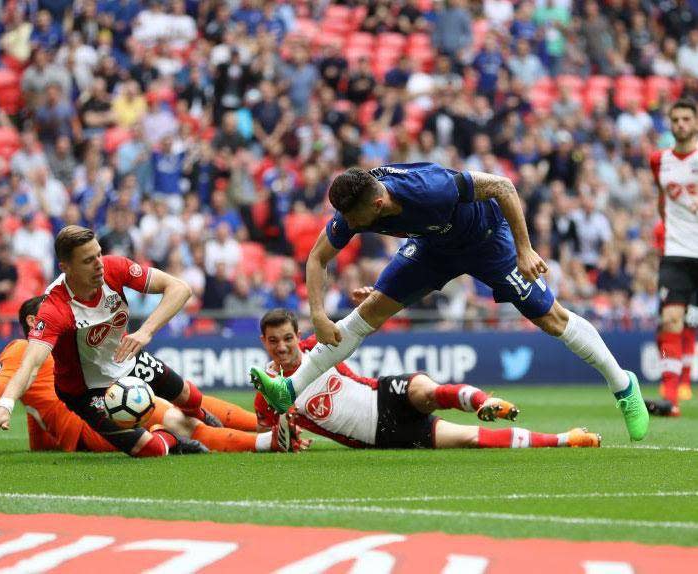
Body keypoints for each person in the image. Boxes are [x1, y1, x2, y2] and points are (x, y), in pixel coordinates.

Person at [251, 163, 649, 442]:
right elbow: (318, 257)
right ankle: (291, 388)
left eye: (352, 219)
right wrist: (318, 315)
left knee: (550, 318)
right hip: (432, 247)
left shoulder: (431, 187)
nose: (347, 226)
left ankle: (622, 384)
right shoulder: (357, 203)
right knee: (371, 310)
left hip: (486, 241)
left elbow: (504, 186)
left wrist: (525, 249)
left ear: (375, 206)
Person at [0, 226, 296, 455]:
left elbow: (180, 288)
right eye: (88, 260)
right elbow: (30, 363)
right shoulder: (56, 308)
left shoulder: (115, 269)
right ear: (66, 267)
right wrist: (5, 405)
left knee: (189, 395)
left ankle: (246, 427)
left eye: (98, 255)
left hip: (127, 358)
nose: (99, 264)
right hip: (88, 391)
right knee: (154, 448)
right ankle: (182, 437)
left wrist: (145, 332)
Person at [0, 296, 292, 454]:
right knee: (179, 420)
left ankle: (268, 425)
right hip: (95, 421)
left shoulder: (66, 350)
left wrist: (44, 445)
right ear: (34, 320)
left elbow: (37, 406)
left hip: (101, 411)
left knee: (180, 402)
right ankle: (266, 441)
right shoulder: (22, 348)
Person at [254, 309, 600, 449]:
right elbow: (272, 440)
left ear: (298, 335)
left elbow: (357, 330)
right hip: (381, 436)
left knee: (425, 389)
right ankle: (565, 439)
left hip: (382, 395)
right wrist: (286, 432)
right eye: (274, 341)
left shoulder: (318, 346)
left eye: (287, 338)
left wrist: (362, 306)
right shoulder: (266, 395)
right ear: (264, 343)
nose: (282, 347)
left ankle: (483, 401)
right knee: (470, 439)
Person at [648, 99, 698, 417]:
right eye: (675, 119)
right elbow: (662, 200)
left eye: (686, 119)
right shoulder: (659, 160)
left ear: (695, 123)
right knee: (671, 321)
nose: (680, 124)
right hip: (677, 253)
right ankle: (671, 398)